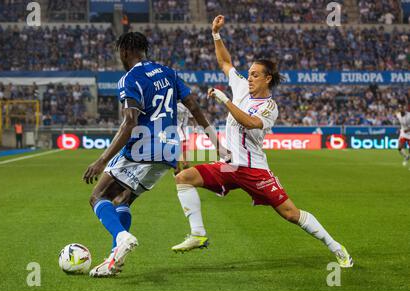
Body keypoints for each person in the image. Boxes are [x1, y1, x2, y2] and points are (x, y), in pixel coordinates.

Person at [171, 15, 353, 268]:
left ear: (267, 79)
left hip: (255, 171)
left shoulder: (269, 106)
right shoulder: (242, 88)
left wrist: (225, 100)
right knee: (183, 178)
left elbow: (251, 123)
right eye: (249, 74)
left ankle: (337, 248)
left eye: (255, 75)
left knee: (291, 214)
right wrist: (215, 34)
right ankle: (198, 234)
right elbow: (225, 61)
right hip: (230, 165)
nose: (249, 78)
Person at [82, 32, 224, 277]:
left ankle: (121, 238)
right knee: (123, 200)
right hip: (168, 151)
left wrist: (101, 160)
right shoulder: (169, 73)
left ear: (125, 51)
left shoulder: (130, 79)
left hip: (142, 148)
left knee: (98, 196)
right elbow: (194, 107)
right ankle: (115, 259)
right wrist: (217, 144)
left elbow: (129, 122)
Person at [174, 102, 194, 175]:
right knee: (185, 159)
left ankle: (177, 169)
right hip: (182, 131)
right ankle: (184, 166)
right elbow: (192, 117)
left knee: (175, 151)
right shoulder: (185, 105)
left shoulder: (172, 104)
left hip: (173, 131)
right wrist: (195, 126)